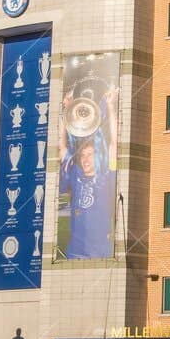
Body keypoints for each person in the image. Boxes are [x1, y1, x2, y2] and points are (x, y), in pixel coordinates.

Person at [60, 95, 113, 260]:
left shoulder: (107, 176)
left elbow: (114, 144)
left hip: (101, 251)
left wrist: (110, 107)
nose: (85, 159)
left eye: (90, 154)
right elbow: (61, 146)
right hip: (75, 250)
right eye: (83, 155)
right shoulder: (75, 174)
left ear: (98, 156)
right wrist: (67, 109)